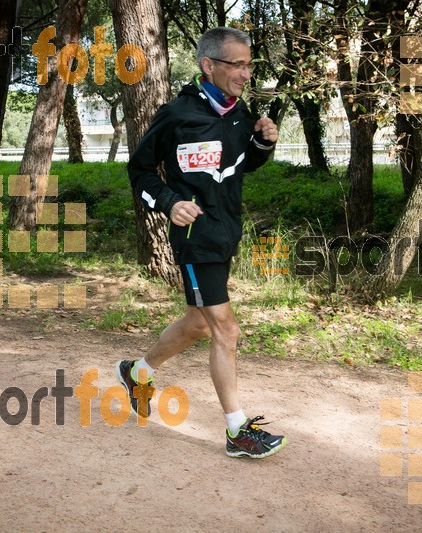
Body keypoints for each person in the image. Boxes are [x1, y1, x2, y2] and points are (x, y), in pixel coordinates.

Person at [116, 27, 286, 459]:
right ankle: (237, 430)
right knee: (226, 329)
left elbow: (239, 165)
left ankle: (137, 372)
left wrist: (261, 143)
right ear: (209, 65)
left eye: (249, 65)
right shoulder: (176, 114)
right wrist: (169, 202)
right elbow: (140, 172)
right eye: (238, 64)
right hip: (195, 238)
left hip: (226, 231)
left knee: (197, 324)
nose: (246, 73)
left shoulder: (237, 111)